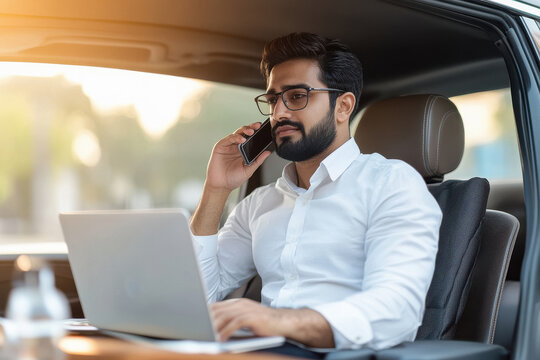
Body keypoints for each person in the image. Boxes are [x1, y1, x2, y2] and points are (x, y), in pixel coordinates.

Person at [190, 32, 442, 356]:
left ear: (343, 107)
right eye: (272, 100)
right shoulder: (258, 205)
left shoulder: (392, 185)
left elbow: (397, 311)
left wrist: (280, 322)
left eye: (296, 96)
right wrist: (216, 189)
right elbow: (199, 296)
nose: (278, 113)